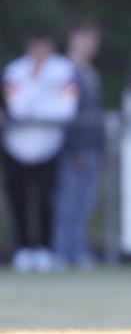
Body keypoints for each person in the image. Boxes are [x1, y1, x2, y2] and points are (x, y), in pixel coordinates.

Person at [1, 31, 78, 272]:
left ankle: (45, 248)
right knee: (18, 200)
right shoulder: (14, 71)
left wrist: (34, 100)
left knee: (46, 200)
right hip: (16, 146)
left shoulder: (64, 70)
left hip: (48, 146)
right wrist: (35, 81)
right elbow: (17, 108)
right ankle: (23, 248)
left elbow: (65, 110)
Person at [53, 21, 104, 268]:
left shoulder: (89, 71)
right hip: (75, 149)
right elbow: (65, 113)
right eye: (86, 38)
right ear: (73, 38)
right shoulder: (65, 71)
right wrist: (73, 148)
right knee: (69, 202)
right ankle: (63, 252)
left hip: (91, 147)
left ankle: (77, 250)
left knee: (84, 204)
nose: (91, 45)